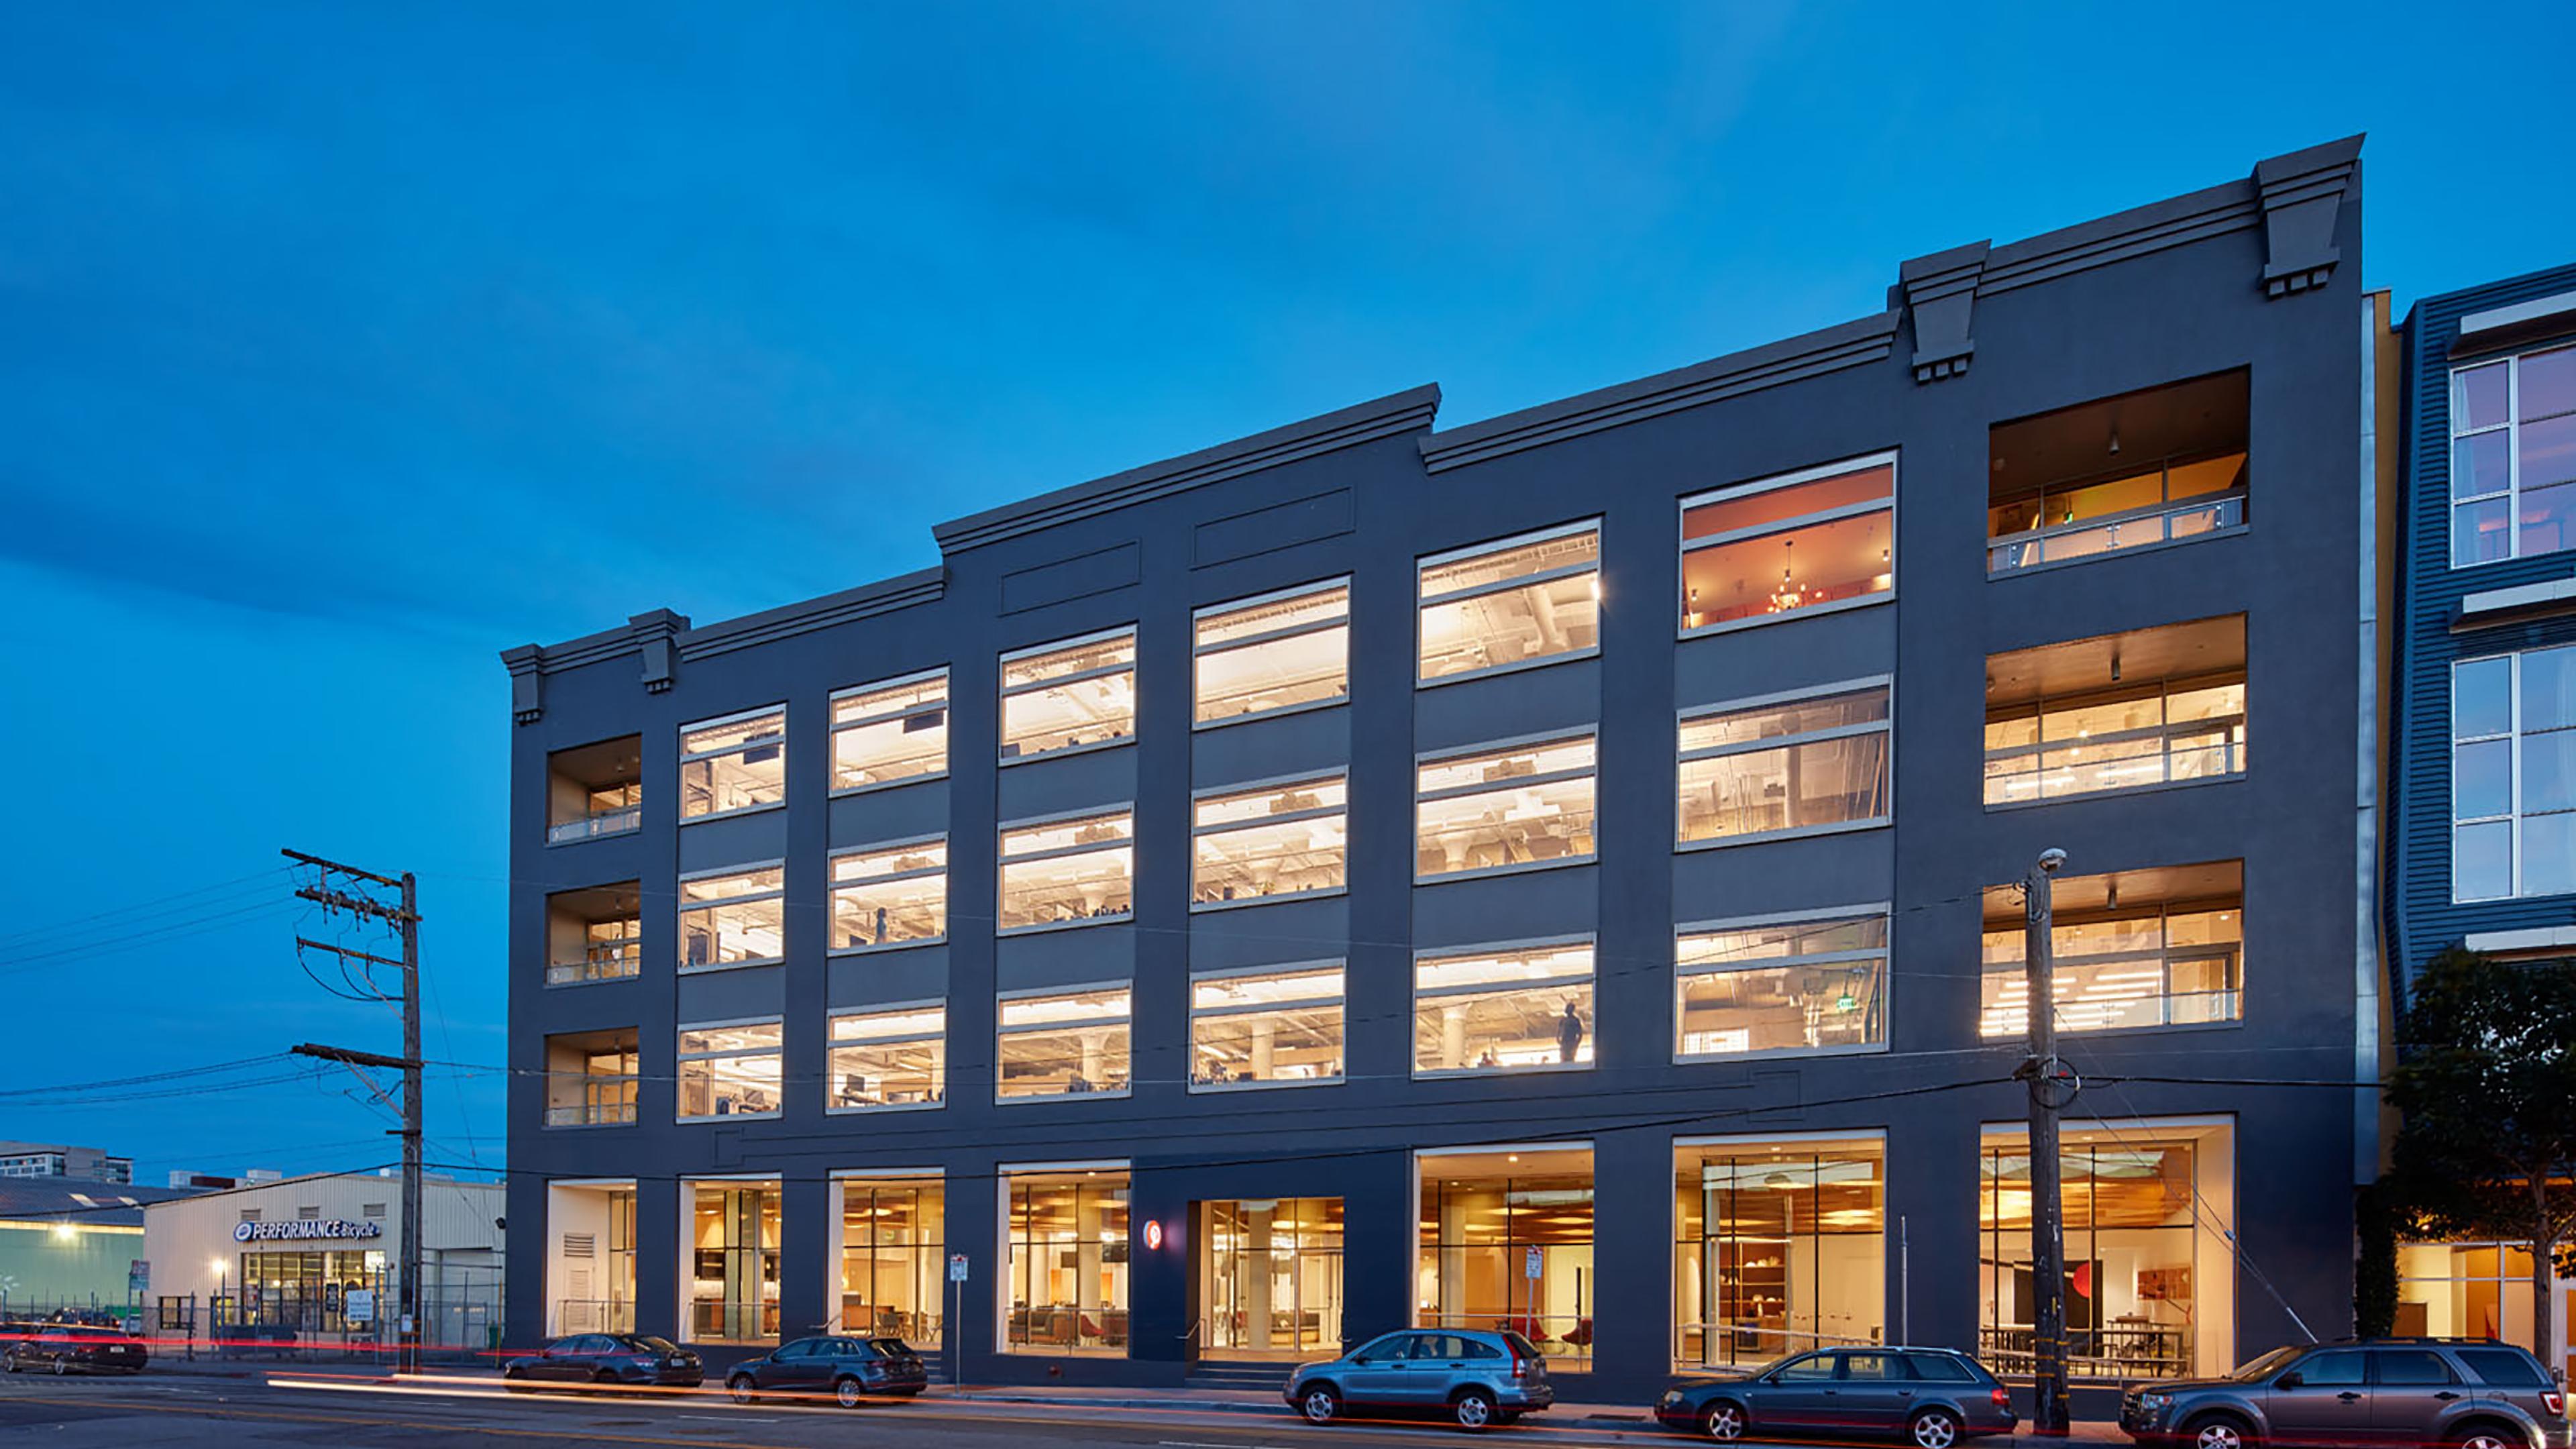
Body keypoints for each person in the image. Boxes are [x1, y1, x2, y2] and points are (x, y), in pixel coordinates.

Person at [1556, 1000, 1586, 1064]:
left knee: (1570, 1057)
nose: (1566, 1010)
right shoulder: (1563, 1020)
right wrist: (1558, 1040)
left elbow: (1580, 1033)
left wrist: (1576, 1043)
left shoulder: (1575, 1020)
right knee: (1563, 1057)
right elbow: (1559, 1030)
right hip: (1564, 1042)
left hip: (1571, 1042)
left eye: (1568, 1008)